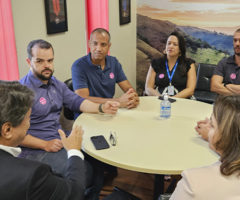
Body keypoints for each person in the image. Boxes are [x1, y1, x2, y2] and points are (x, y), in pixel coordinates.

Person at [19, 39, 120, 200]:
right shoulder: (22, 92)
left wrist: (101, 108)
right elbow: (14, 134)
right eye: (40, 61)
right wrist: (45, 144)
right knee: (85, 171)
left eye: (50, 60)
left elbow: (77, 101)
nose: (46, 65)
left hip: (59, 139)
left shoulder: (55, 84)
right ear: (28, 61)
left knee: (99, 158)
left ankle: (89, 196)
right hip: (36, 150)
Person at [0, 81, 85, 200]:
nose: (29, 125)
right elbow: (75, 193)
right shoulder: (33, 174)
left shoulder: (58, 84)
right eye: (28, 119)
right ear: (7, 130)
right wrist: (74, 151)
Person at [72, 28, 139, 109]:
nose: (99, 49)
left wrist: (132, 97)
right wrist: (117, 101)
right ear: (89, 44)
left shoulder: (114, 62)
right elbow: (82, 98)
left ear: (109, 46)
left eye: (103, 44)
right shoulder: (79, 66)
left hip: (109, 110)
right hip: (87, 112)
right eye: (95, 44)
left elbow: (128, 88)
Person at [145, 31, 196, 98]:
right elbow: (148, 88)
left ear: (180, 49)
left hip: (182, 100)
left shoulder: (188, 64)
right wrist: (161, 97)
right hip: (158, 99)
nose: (170, 46)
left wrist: (173, 99)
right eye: (169, 43)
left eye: (175, 44)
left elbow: (190, 90)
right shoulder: (156, 63)